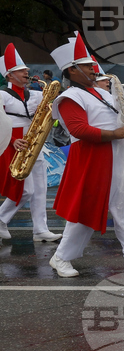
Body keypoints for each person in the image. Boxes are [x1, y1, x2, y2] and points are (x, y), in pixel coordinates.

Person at [47, 33, 124, 277]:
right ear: (73, 70)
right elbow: (78, 129)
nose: (94, 68)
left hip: (115, 154)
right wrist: (115, 133)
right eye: (88, 65)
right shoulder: (68, 97)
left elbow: (119, 114)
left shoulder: (101, 92)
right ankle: (61, 257)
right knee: (85, 210)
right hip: (90, 157)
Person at [0, 43, 61, 242]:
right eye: (21, 70)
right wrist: (11, 140)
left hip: (36, 142)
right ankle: (1, 218)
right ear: (9, 75)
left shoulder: (35, 94)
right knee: (26, 190)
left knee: (41, 188)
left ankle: (40, 229)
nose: (27, 72)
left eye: (26, 69)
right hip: (15, 144)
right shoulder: (1, 95)